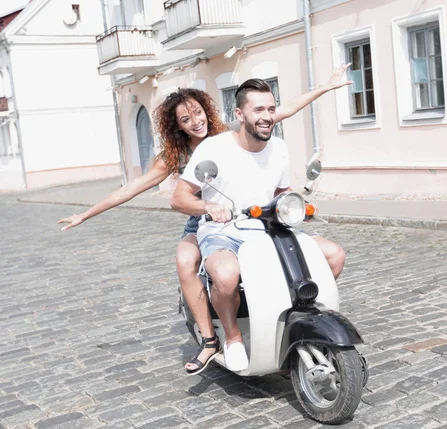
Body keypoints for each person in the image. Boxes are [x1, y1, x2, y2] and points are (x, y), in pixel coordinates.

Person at [56, 65, 352, 374]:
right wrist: (85, 214)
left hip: (251, 216)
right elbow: (136, 189)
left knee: (317, 254)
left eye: (197, 113)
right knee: (188, 262)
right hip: (203, 219)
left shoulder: (236, 132)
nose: (195, 122)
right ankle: (212, 340)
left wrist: (326, 88)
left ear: (208, 110)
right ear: (177, 126)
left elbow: (281, 111)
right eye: (186, 119)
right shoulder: (176, 155)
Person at [171, 78, 346, 372]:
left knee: (333, 254)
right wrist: (209, 206)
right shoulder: (214, 148)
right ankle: (234, 337)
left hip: (267, 228)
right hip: (224, 232)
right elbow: (179, 197)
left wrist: (295, 205)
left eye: (271, 109)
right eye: (258, 110)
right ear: (240, 114)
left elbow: (279, 193)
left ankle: (293, 317)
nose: (266, 116)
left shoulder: (277, 147)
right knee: (226, 275)